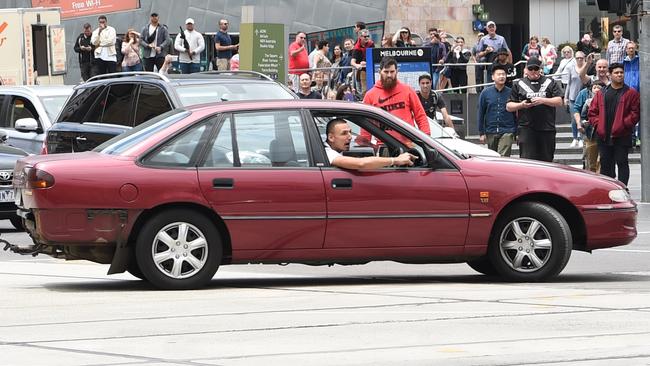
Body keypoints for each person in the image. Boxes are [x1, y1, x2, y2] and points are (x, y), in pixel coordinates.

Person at [588, 63, 640, 185]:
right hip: (603, 135)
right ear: (610, 75)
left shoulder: (631, 93)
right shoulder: (602, 93)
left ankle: (623, 189)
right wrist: (598, 124)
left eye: (621, 72)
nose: (620, 75)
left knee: (622, 163)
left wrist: (623, 124)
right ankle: (608, 190)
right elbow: (592, 112)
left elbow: (635, 113)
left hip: (622, 135)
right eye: (616, 73)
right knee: (606, 165)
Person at [506, 57, 564, 162]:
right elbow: (509, 106)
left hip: (547, 128)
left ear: (540, 69)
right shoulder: (518, 83)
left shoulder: (550, 82)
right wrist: (522, 105)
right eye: (530, 68)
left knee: (547, 160)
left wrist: (543, 100)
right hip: (526, 128)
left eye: (536, 69)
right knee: (527, 161)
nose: (533, 71)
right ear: (526, 70)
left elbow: (559, 101)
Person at [362, 57, 430, 144]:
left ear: (397, 71)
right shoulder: (370, 95)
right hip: (384, 147)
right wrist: (364, 148)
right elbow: (366, 126)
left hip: (408, 145)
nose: (389, 75)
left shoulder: (408, 90)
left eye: (392, 71)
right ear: (379, 72)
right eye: (386, 72)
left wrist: (426, 141)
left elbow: (420, 116)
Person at [325, 118, 417, 169]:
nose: (349, 137)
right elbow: (361, 164)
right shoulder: (328, 153)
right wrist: (395, 160)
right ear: (331, 137)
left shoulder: (335, 151)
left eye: (350, 132)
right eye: (344, 133)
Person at [477, 64, 517, 157]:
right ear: (493, 77)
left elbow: (516, 113)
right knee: (493, 157)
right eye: (499, 74)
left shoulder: (511, 92)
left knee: (503, 157)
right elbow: (481, 113)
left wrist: (517, 132)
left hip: (507, 130)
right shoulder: (485, 93)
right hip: (491, 130)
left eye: (503, 74)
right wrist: (481, 133)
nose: (502, 76)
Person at [574, 81, 605, 172]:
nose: (596, 90)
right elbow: (583, 115)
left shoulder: (606, 100)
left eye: (598, 87)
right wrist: (583, 123)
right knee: (591, 159)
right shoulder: (588, 102)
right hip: (591, 133)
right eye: (594, 87)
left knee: (602, 159)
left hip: (603, 132)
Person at [564, 51, 589, 148]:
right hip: (573, 97)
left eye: (581, 58)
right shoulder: (571, 68)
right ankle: (575, 138)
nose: (579, 60)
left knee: (583, 119)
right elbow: (569, 83)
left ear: (584, 58)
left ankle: (582, 138)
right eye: (577, 58)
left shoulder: (586, 68)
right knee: (574, 119)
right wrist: (565, 97)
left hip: (583, 97)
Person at [351, 29, 375, 96]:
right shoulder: (356, 48)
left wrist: (367, 62)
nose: (367, 38)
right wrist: (358, 65)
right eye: (365, 36)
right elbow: (352, 62)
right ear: (360, 37)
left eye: (368, 36)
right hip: (362, 70)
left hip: (372, 69)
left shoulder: (371, 44)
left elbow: (374, 56)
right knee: (365, 89)